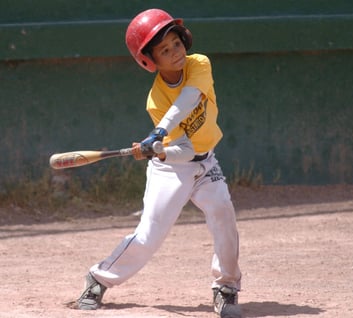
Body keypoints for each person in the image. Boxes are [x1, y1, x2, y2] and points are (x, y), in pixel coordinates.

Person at [77, 8, 242, 318]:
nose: (175, 53)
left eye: (176, 44)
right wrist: (159, 151)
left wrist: (158, 134)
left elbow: (190, 99)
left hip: (207, 163)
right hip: (172, 168)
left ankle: (227, 287)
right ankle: (98, 278)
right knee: (149, 235)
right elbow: (182, 150)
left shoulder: (200, 65)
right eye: (164, 50)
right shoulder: (155, 99)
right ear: (150, 60)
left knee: (223, 215)